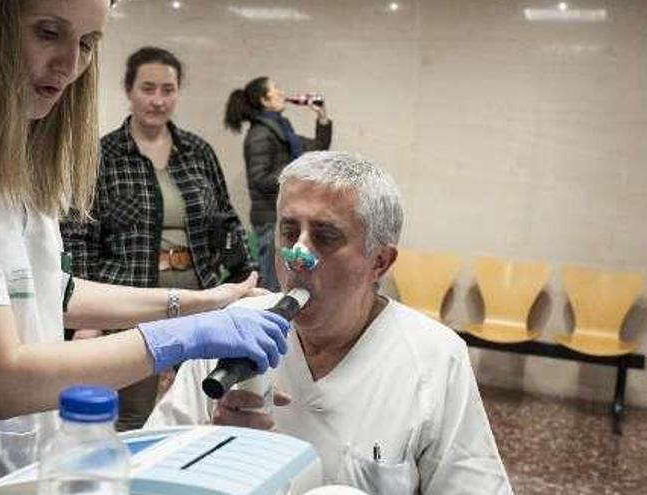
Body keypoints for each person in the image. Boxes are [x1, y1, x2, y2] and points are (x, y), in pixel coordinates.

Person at [0, 2, 291, 494]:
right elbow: (2, 378)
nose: (69, 64)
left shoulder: (9, 139)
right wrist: (185, 335)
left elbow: (44, 289)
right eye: (47, 33)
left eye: (87, 44)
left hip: (3, 468)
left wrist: (199, 302)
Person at [146, 151, 513, 494]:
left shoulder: (435, 357)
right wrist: (211, 446)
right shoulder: (231, 330)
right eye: (289, 232)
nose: (298, 256)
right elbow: (147, 474)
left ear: (379, 262)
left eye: (325, 237)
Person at [60, 46, 253, 430]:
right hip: (130, 310)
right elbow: (80, 235)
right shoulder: (102, 154)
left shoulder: (198, 152)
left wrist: (245, 278)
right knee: (130, 417)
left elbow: (227, 221)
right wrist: (85, 321)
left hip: (201, 306)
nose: (158, 99)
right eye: (148, 88)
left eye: (168, 89)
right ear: (129, 90)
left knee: (200, 412)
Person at [224, 76, 332, 291]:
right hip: (270, 220)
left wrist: (322, 118)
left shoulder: (281, 130)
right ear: (265, 100)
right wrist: (295, 173)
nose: (282, 93)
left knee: (287, 284)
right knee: (274, 287)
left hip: (282, 217)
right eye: (276, 90)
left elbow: (317, 148)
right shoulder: (260, 134)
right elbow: (260, 179)